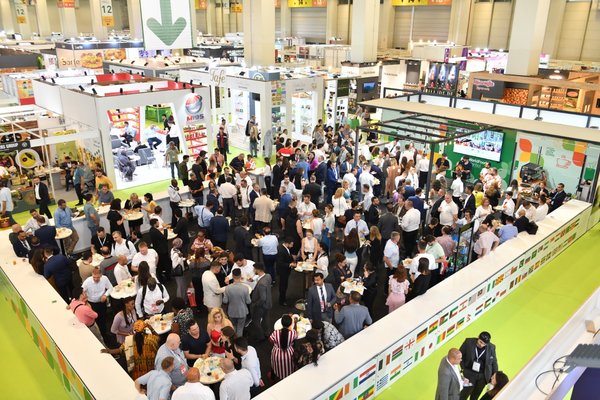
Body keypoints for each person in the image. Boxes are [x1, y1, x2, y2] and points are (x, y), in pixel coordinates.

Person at [459, 332, 499, 400]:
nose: (481, 345)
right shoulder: (468, 342)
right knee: (464, 395)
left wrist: (495, 375)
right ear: (478, 337)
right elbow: (460, 355)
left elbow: (494, 362)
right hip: (469, 373)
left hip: (483, 376)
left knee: (475, 396)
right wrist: (463, 369)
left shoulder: (491, 347)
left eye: (484, 344)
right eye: (480, 342)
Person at [81, 267, 113, 338]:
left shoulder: (105, 279)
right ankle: (97, 335)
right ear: (92, 275)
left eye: (98, 277)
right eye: (94, 277)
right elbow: (82, 291)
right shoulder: (87, 281)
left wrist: (105, 295)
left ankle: (104, 334)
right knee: (94, 320)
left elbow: (110, 288)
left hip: (102, 303)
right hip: (91, 304)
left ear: (101, 275)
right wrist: (84, 296)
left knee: (103, 319)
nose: (95, 279)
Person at [223, 268, 252, 337]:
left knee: (233, 326)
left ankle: (233, 340)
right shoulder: (245, 288)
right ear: (240, 275)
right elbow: (248, 301)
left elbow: (225, 301)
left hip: (231, 312)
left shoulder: (227, 288)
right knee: (240, 328)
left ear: (232, 276)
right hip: (242, 311)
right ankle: (238, 341)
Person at [269, 314, 297, 381]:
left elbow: (270, 340)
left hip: (277, 354)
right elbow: (296, 336)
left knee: (276, 365)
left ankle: (275, 376)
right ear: (291, 324)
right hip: (289, 353)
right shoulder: (293, 333)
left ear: (281, 323)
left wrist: (276, 345)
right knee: (289, 365)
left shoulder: (275, 332)